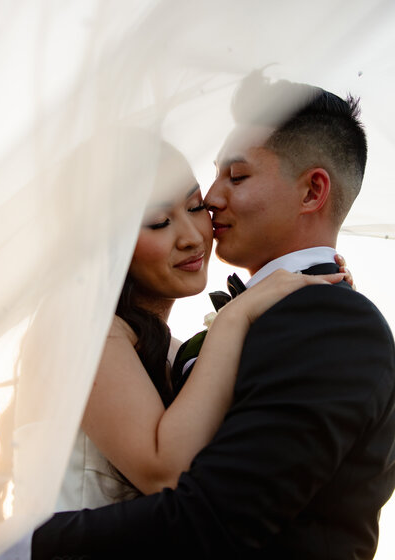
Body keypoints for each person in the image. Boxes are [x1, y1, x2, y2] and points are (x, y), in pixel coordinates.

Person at [32, 75, 395, 560]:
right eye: (160, 220)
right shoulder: (100, 327)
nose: (210, 208)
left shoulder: (328, 322)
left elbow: (216, 515)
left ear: (312, 192)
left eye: (235, 178)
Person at [56, 135, 343, 512]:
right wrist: (237, 316)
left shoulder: (174, 351)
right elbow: (166, 476)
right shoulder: (81, 328)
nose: (192, 238)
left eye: (195, 207)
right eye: (159, 222)